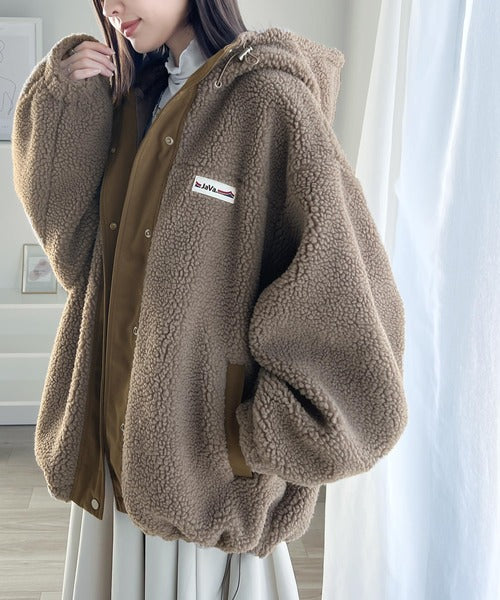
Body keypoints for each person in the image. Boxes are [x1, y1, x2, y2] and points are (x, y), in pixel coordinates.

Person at [11, 0, 409, 598]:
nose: (112, 6)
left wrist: (240, 446)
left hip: (200, 493)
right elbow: (79, 261)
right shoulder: (134, 102)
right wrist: (65, 103)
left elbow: (349, 312)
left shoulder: (269, 102)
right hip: (111, 472)